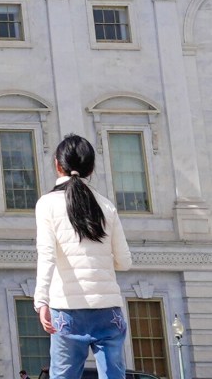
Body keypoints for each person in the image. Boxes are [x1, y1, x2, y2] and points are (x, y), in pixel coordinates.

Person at [36, 134, 133, 379]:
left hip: (67, 309)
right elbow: (125, 261)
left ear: (58, 165)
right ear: (91, 168)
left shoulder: (47, 204)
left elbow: (46, 255)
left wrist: (41, 301)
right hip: (107, 308)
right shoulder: (106, 205)